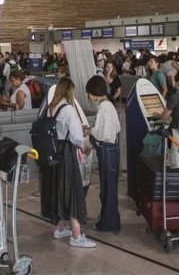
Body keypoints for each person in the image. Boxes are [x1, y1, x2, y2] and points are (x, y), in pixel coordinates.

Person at [42, 78, 96, 248]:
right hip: (67, 153)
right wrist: (84, 146)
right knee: (73, 191)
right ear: (69, 91)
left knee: (59, 190)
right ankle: (76, 235)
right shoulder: (68, 110)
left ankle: (59, 228)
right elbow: (76, 136)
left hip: (54, 152)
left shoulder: (52, 108)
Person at [85, 76, 121, 232]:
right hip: (112, 149)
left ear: (94, 92)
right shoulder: (110, 105)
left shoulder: (104, 107)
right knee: (109, 188)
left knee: (107, 189)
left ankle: (108, 223)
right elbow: (116, 128)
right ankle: (110, 220)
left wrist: (88, 131)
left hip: (106, 149)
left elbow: (101, 133)